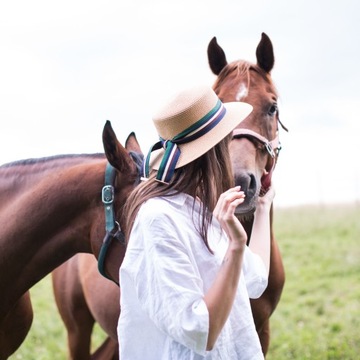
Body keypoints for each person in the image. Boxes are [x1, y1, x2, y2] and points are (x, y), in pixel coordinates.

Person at [117, 85, 275, 359]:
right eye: (227, 142)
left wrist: (262, 206)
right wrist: (236, 247)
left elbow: (256, 279)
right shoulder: (158, 219)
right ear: (214, 153)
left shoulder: (202, 210)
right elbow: (200, 331)